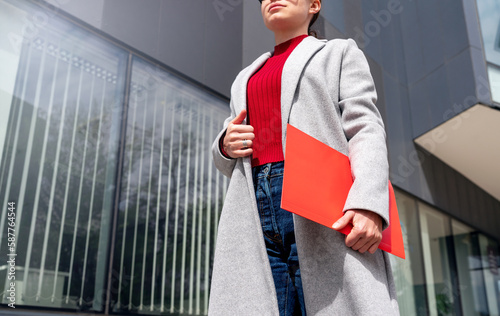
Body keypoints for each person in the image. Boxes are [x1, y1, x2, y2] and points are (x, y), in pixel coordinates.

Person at [209, 0, 400, 315]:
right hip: (253, 207)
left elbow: (365, 129)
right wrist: (224, 145)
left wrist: (368, 202)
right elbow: (228, 155)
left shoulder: (339, 53)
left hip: (322, 204)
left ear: (314, 5)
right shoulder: (244, 77)